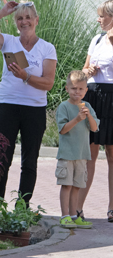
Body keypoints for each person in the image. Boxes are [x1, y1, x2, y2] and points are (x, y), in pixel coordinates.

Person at [0, 0, 58, 205]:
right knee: (2, 157)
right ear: (16, 22)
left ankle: (22, 207)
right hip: (8, 106)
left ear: (36, 21)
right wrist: (2, 13)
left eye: (28, 17)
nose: (24, 22)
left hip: (34, 110)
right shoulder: (8, 42)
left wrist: (25, 76)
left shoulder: (47, 48)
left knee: (29, 160)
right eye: (20, 18)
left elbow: (48, 83)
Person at [78, 0, 113, 221]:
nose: (98, 19)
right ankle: (78, 208)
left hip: (112, 97)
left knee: (111, 154)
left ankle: (112, 207)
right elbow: (84, 68)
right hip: (93, 97)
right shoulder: (97, 38)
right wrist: (88, 70)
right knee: (88, 154)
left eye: (102, 15)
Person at [56, 71, 98, 229]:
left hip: (82, 155)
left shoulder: (87, 107)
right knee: (66, 185)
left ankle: (74, 215)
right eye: (73, 88)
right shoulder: (64, 107)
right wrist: (77, 119)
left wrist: (88, 117)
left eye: (81, 89)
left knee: (77, 185)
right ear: (67, 89)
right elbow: (63, 129)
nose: (77, 92)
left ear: (86, 90)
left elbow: (94, 128)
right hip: (67, 154)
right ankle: (64, 215)